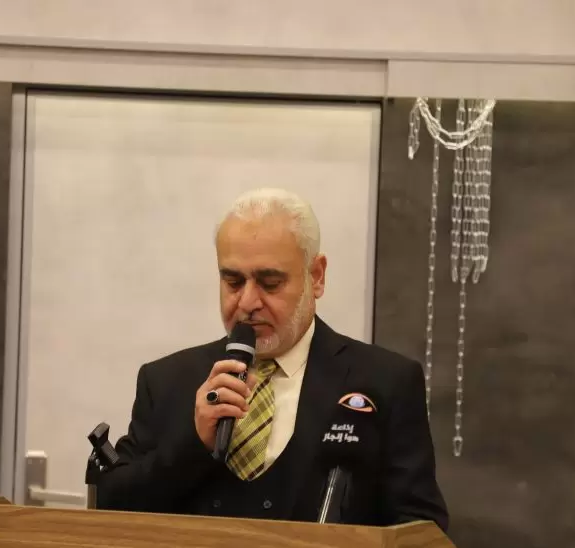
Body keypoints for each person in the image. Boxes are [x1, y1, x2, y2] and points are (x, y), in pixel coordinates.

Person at [93, 188, 448, 529]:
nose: (248, 303)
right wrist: (193, 443)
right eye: (233, 281)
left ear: (316, 277)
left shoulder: (385, 382)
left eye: (270, 282)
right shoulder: (166, 381)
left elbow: (420, 532)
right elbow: (112, 507)